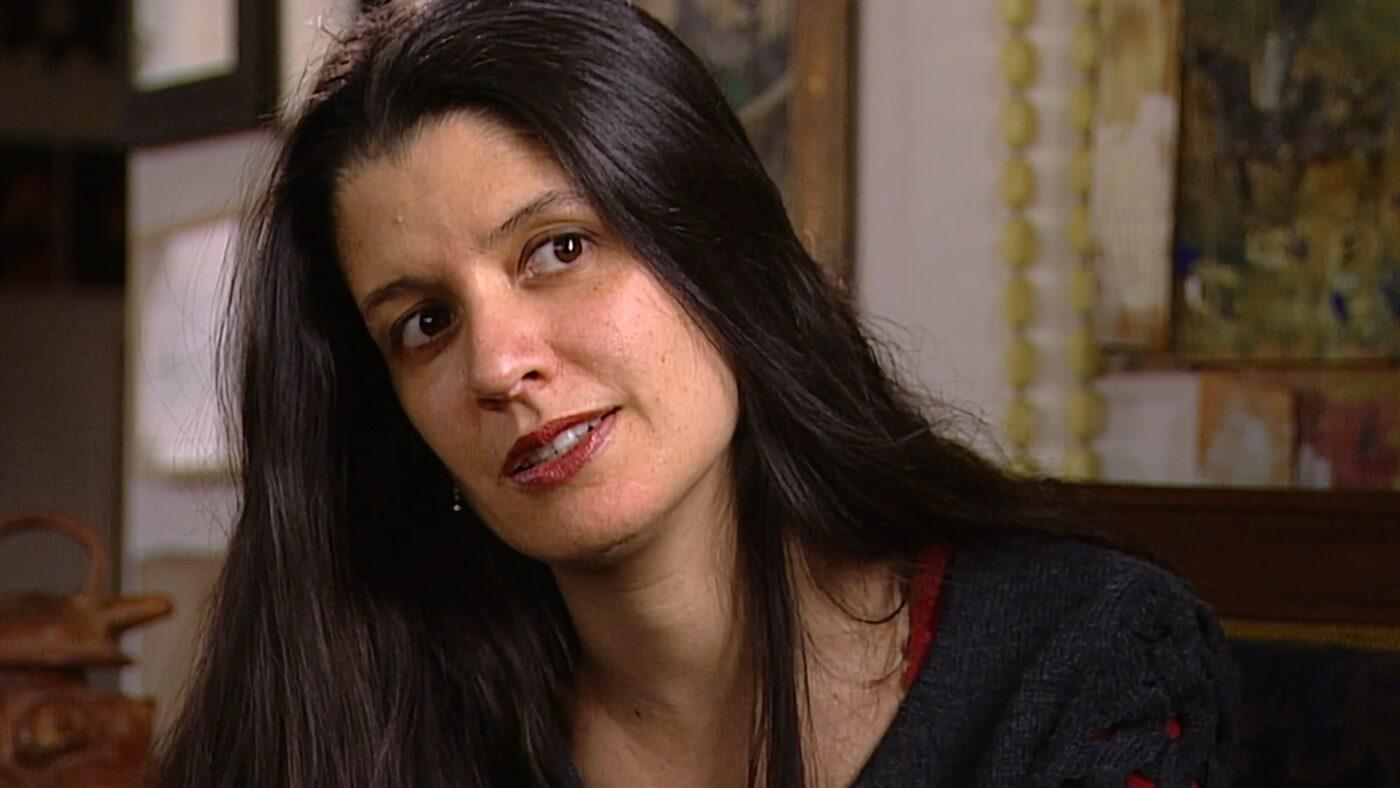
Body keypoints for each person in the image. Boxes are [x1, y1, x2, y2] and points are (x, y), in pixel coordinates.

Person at [155, 1, 1238, 786]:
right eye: (424, 324)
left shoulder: (1082, 657)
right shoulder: (360, 721)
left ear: (718, 251)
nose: (496, 365)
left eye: (558, 248)